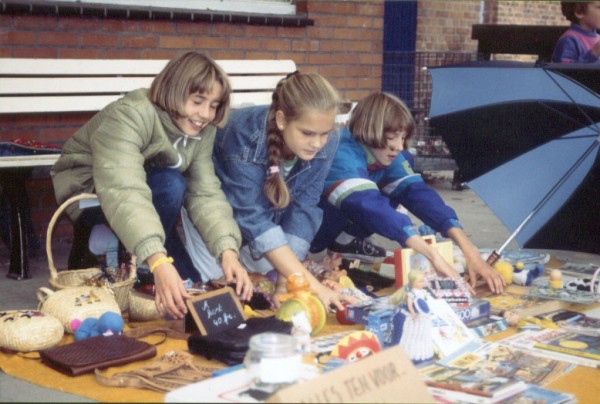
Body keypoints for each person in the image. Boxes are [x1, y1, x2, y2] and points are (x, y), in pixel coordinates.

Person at [51, 51, 253, 320]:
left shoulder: (202, 129)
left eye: (214, 105)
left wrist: (227, 252)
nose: (205, 114)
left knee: (190, 297)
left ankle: (137, 254)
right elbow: (124, 189)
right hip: (88, 188)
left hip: (145, 192)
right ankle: (110, 244)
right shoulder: (131, 113)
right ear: (174, 90)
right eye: (197, 101)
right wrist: (158, 261)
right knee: (171, 185)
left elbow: (205, 192)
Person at [182, 72, 351, 310]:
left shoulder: (328, 140)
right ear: (281, 120)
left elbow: (305, 206)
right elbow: (251, 216)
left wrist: (286, 281)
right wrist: (312, 284)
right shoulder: (244, 133)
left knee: (269, 281)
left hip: (267, 219)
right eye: (307, 133)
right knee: (217, 288)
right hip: (216, 216)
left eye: (324, 134)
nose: (317, 143)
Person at [310, 92, 505, 294]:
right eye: (392, 138)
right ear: (369, 131)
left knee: (404, 176)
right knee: (370, 202)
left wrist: (471, 252)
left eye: (402, 138)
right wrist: (433, 256)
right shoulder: (341, 152)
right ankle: (306, 255)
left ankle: (345, 242)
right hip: (313, 232)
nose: (399, 146)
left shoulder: (383, 151)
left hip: (347, 211)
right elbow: (370, 206)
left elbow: (419, 194)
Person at [390, 270, 434, 363]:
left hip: (421, 317)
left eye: (423, 281)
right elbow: (410, 305)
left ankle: (418, 355)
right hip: (411, 317)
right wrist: (413, 314)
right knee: (409, 336)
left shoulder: (421, 292)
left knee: (421, 335)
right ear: (414, 282)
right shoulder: (411, 294)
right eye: (420, 281)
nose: (423, 283)